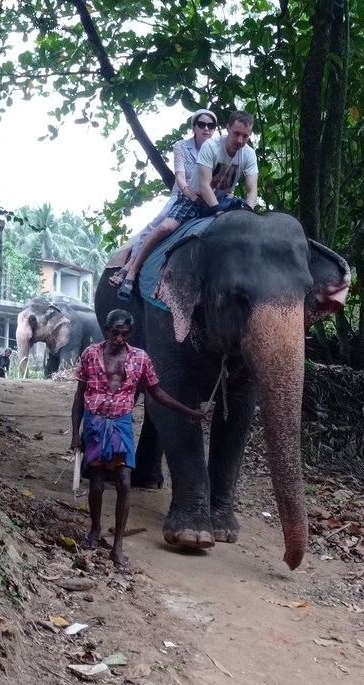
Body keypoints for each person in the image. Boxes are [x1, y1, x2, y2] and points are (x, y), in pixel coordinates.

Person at [70, 309, 204, 570]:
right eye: (114, 332)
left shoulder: (140, 358)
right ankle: (95, 529)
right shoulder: (89, 355)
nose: (119, 338)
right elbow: (79, 396)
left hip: (121, 425)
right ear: (106, 329)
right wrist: (76, 432)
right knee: (96, 485)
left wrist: (188, 411)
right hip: (95, 425)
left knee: (124, 481)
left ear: (129, 333)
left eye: (124, 333)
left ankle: (117, 546)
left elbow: (157, 392)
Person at [114, 110, 258, 300]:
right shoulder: (211, 147)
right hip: (196, 200)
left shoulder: (248, 154)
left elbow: (251, 191)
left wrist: (249, 214)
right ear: (228, 129)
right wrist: (219, 213)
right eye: (236, 134)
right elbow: (205, 186)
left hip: (223, 200)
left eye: (245, 136)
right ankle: (133, 271)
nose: (240, 140)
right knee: (166, 227)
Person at [110, 108, 218, 297]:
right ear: (194, 127)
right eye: (201, 124)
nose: (206, 129)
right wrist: (190, 194)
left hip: (207, 199)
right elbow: (180, 176)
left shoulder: (217, 150)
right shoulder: (182, 147)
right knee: (160, 223)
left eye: (211, 125)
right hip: (183, 195)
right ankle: (130, 266)